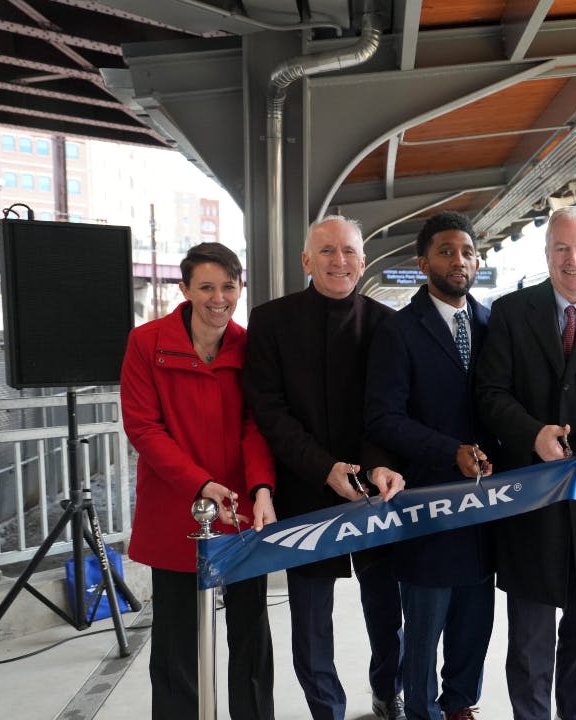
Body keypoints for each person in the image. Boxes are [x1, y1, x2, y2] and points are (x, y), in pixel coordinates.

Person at [474, 205, 576, 720]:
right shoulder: (509, 312)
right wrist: (533, 434)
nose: (574, 260)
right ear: (547, 255)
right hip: (530, 500)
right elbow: (491, 392)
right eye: (562, 249)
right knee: (527, 640)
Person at [242, 216, 407, 720]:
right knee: (311, 619)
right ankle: (326, 710)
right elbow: (269, 411)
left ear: (363, 260)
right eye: (328, 251)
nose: (340, 261)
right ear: (306, 261)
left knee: (386, 609)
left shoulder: (385, 323)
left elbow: (389, 410)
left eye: (350, 251)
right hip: (306, 487)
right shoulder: (271, 321)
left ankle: (387, 693)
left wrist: (376, 467)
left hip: (373, 491)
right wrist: (324, 468)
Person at [120, 242, 276, 720]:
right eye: (206, 287)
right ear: (184, 289)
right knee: (177, 641)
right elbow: (143, 427)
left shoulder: (249, 347)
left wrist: (261, 488)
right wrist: (200, 483)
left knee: (251, 633)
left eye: (229, 286)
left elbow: (257, 424)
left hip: (243, 511)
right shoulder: (147, 343)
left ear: (240, 289)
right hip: (178, 510)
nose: (219, 298)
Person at [364, 211, 495, 720]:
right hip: (427, 507)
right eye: (445, 251)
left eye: (466, 251)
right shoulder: (399, 332)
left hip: (485, 507)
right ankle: (419, 709)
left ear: (477, 260)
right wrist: (448, 451)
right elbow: (382, 418)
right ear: (423, 262)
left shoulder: (490, 326)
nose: (457, 260)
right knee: (424, 625)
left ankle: (461, 704)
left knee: (474, 619)